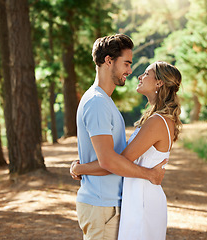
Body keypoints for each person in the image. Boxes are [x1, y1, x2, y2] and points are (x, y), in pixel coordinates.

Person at [71, 34, 167, 240]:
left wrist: (81, 168)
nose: (130, 71)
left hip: (108, 206)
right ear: (108, 61)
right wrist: (149, 174)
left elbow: (109, 155)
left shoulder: (104, 101)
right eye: (126, 63)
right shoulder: (97, 103)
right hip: (103, 207)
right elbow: (108, 160)